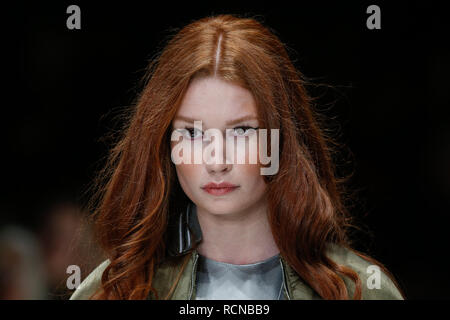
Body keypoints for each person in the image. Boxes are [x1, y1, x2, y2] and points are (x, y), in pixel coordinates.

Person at [70, 14, 405, 300]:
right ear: (165, 147)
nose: (217, 161)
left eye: (242, 131)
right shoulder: (114, 291)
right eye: (193, 133)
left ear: (279, 142)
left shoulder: (358, 289)